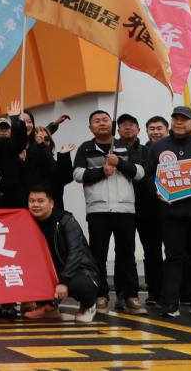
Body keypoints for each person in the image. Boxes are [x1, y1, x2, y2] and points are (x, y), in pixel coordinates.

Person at [144, 105, 191, 318]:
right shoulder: (159, 147)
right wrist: (156, 192)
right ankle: (170, 303)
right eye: (175, 118)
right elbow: (149, 175)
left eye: (184, 119)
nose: (179, 122)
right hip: (170, 212)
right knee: (173, 257)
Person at [73, 109, 146, 314]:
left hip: (125, 209)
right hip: (98, 209)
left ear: (111, 124)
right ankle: (101, 295)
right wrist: (101, 171)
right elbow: (77, 174)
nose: (101, 123)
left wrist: (119, 162)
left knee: (126, 254)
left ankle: (130, 296)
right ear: (90, 127)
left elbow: (140, 173)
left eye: (105, 119)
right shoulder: (86, 148)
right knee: (98, 255)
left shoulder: (125, 146)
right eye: (96, 121)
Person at [25, 184, 100, 323]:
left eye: (40, 201)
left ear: (51, 203)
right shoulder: (27, 221)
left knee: (80, 285)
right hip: (52, 271)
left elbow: (75, 253)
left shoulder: (65, 221)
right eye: (31, 201)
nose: (35, 205)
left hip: (79, 270)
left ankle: (88, 306)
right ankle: (49, 308)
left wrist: (64, 281)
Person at [138, 114, 169, 304]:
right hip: (147, 211)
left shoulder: (175, 150)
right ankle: (154, 291)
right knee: (151, 252)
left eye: (159, 128)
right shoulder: (140, 151)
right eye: (152, 129)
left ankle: (177, 290)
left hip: (172, 210)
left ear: (167, 130)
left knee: (175, 252)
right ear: (147, 131)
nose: (156, 132)